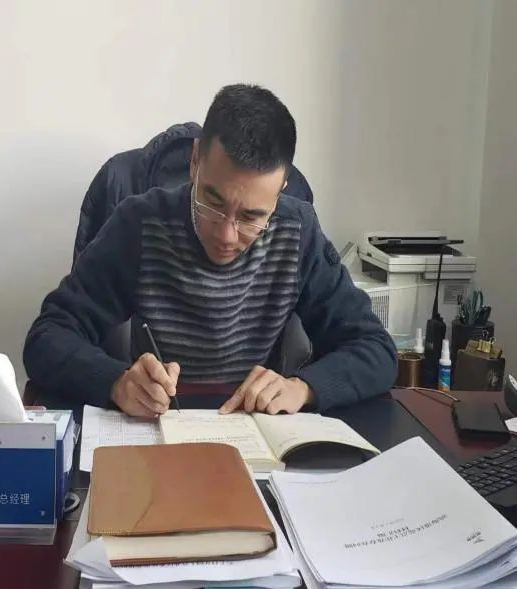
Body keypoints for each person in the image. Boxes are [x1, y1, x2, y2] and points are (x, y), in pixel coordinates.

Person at [24, 84, 397, 418]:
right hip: (158, 428)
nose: (227, 235)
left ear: (281, 188)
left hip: (254, 433)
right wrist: (116, 381)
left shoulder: (298, 231)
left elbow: (375, 348)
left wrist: (303, 388)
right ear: (195, 162)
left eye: (251, 216)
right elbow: (47, 337)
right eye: (212, 203)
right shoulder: (139, 225)